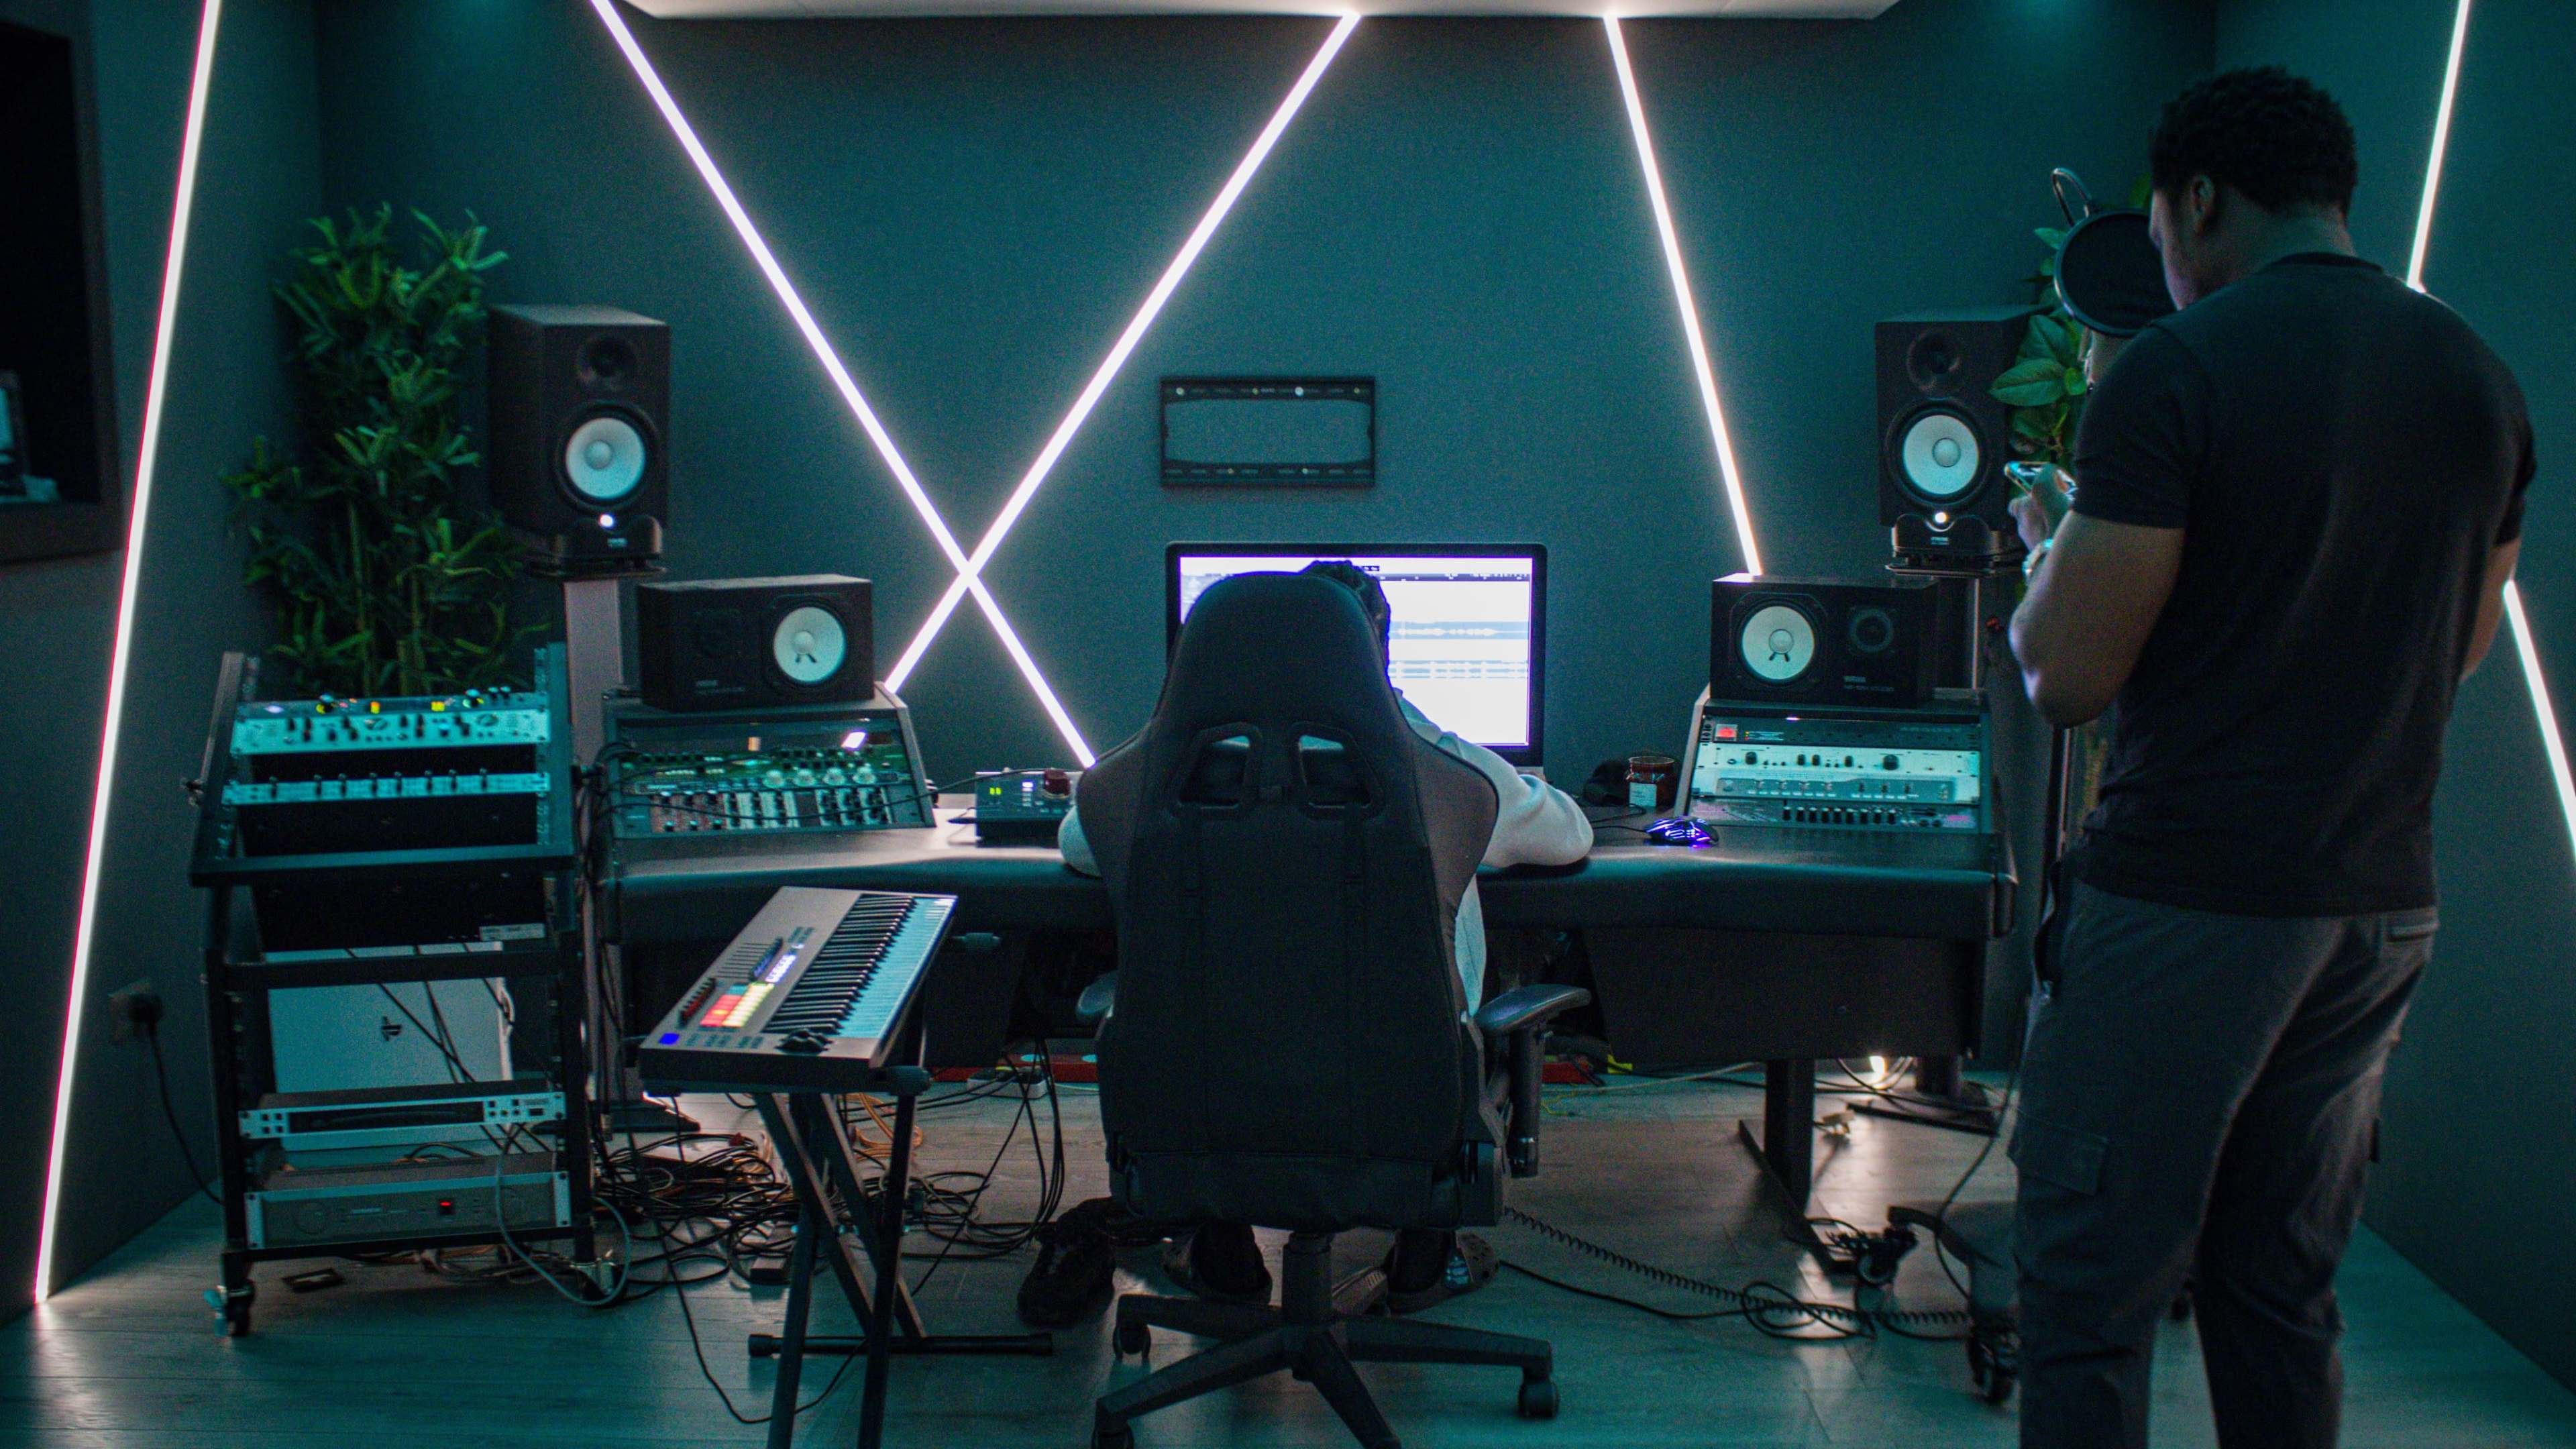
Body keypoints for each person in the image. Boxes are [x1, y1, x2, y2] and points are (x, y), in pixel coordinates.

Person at [2005, 68, 2532, 1449]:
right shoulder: (2478, 377)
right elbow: (2461, 646)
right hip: (2378, 912)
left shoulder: (2173, 372)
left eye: (2163, 226)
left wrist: (2049, 556)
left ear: (2195, 200)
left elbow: (2065, 678)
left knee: (2089, 1293)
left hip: (2191, 908)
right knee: (2280, 1287)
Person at [1043, 560, 1593, 1320]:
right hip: (1391, 1107)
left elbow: (1079, 835)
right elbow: (1568, 835)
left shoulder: (1170, 772)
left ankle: (1222, 1252)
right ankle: (1424, 1251)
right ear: (1379, 657)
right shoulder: (1438, 771)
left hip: (1206, 1109)